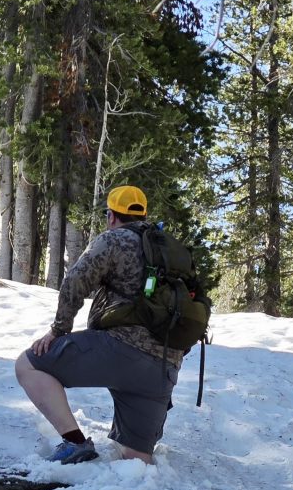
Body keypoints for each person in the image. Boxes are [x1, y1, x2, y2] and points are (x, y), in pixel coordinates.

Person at [15, 184, 182, 465]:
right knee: (136, 461)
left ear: (112, 216)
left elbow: (75, 282)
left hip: (121, 351)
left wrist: (58, 330)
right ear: (142, 215)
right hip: (164, 364)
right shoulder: (168, 248)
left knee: (28, 365)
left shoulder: (114, 240)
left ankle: (75, 443)